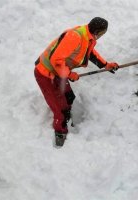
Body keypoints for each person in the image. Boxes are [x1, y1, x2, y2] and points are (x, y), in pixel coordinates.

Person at [34, 17, 119, 147]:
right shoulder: (75, 37)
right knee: (59, 109)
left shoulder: (87, 36)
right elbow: (56, 60)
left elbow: (89, 53)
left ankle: (67, 118)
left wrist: (105, 65)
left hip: (58, 73)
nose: (101, 36)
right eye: (102, 34)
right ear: (97, 31)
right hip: (46, 74)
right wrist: (69, 74)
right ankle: (60, 134)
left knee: (68, 98)